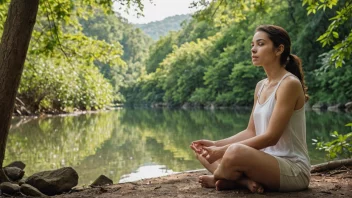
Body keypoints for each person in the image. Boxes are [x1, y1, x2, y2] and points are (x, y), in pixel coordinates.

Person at [190, 25, 310, 193]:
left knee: (235, 151)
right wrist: (215, 145)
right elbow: (251, 131)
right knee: (202, 152)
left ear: (279, 49)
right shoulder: (261, 86)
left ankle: (219, 176)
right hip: (263, 163)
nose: (253, 49)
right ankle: (244, 182)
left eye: (260, 44)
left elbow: (271, 138)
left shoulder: (289, 84)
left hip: (292, 170)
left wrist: (222, 151)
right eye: (252, 45)